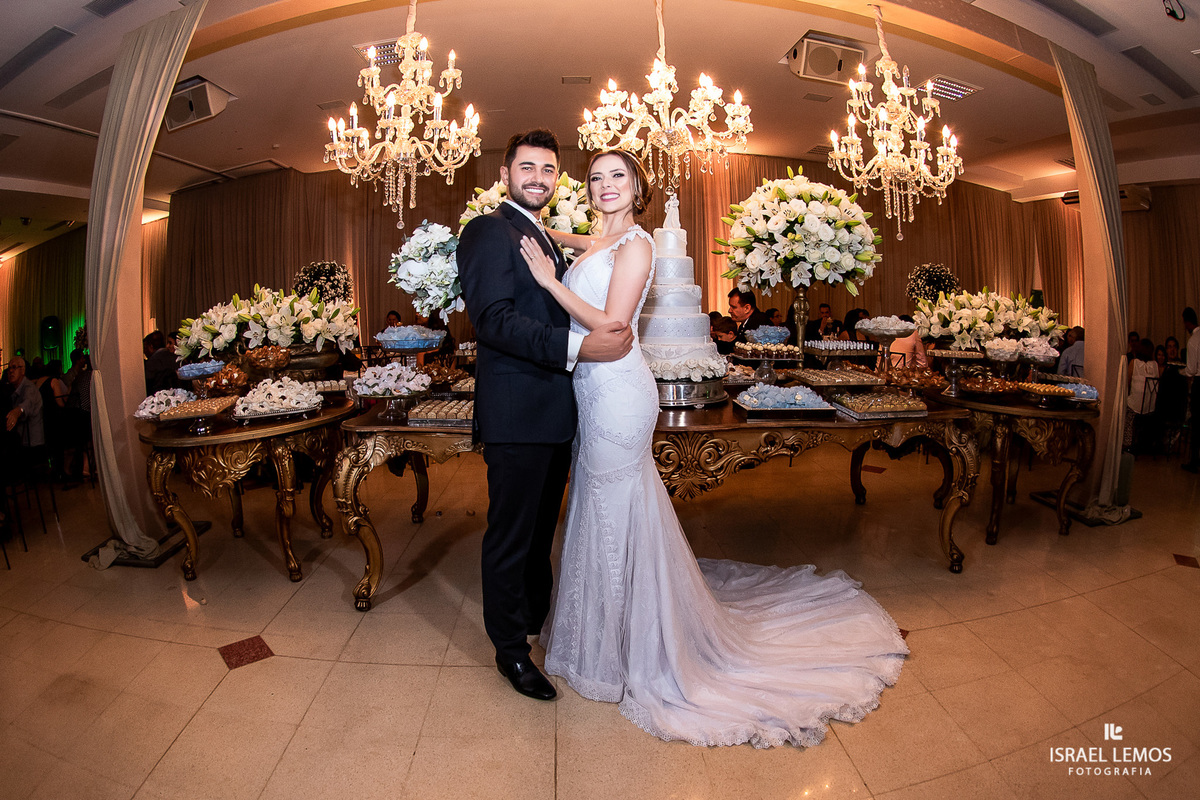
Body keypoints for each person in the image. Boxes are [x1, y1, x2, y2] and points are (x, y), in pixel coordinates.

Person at [519, 147, 906, 747]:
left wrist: (546, 280)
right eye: (595, 178)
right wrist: (543, 231)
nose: (604, 185)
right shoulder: (594, 240)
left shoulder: (638, 246)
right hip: (587, 392)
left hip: (619, 392)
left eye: (618, 176)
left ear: (637, 187)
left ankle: (625, 650)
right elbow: (574, 238)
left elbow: (612, 323)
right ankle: (600, 633)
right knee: (597, 508)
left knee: (611, 508)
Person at [457, 129, 634, 701]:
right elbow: (493, 321)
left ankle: (534, 623)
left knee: (537, 537)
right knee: (512, 537)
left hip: (558, 411)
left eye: (549, 169)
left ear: (558, 179)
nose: (538, 177)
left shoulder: (540, 236)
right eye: (527, 166)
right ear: (506, 172)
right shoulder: (489, 230)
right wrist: (578, 349)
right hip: (517, 412)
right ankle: (511, 653)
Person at [5, 357, 44, 448]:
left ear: (22, 370)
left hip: (33, 444)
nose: (10, 371)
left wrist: (18, 411)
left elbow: (27, 403)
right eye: (9, 368)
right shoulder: (12, 389)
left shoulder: (29, 388)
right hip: (23, 442)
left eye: (14, 367)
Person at [1181, 307, 1200, 472]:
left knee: (1195, 423)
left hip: (1199, 384)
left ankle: (1194, 461)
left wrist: (1180, 371)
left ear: (1187, 322)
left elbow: (1191, 370)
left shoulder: (1194, 340)